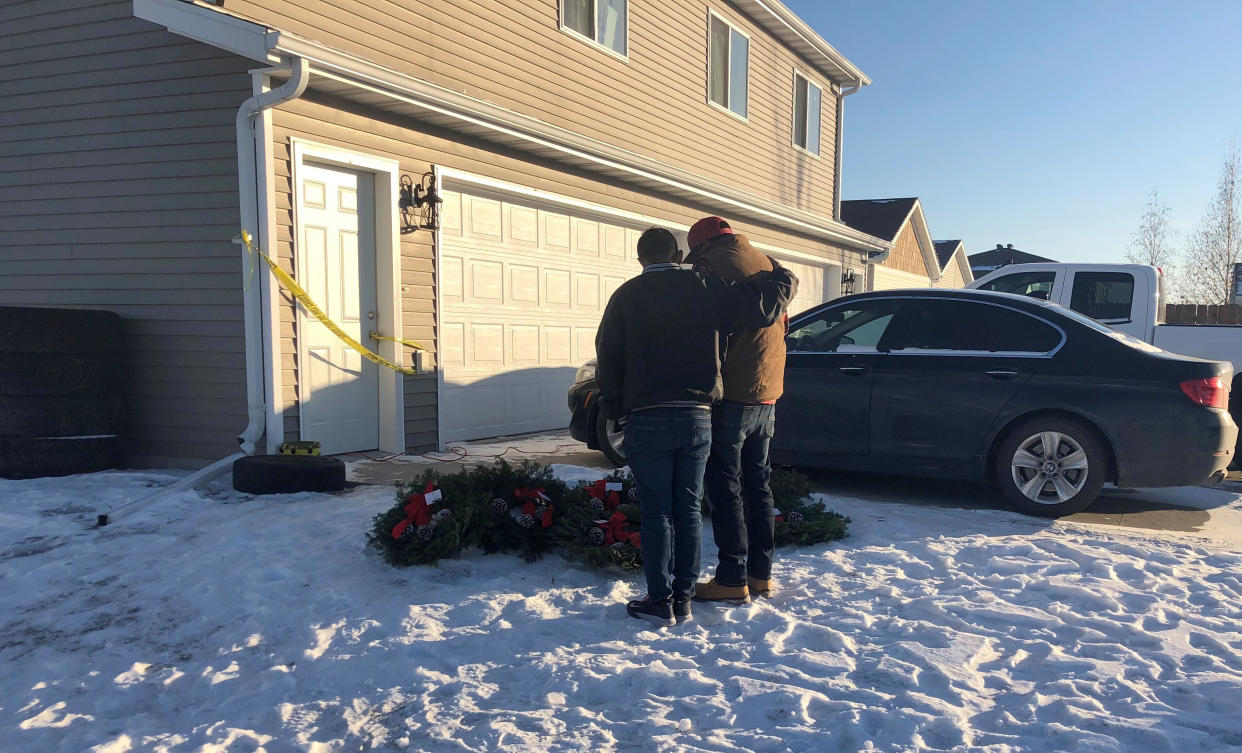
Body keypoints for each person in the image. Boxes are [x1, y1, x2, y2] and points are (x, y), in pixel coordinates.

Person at [595, 227, 797, 627]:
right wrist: (784, 277)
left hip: (648, 416)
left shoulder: (626, 295)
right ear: (679, 254)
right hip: (697, 416)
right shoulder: (706, 287)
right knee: (688, 508)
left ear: (641, 260)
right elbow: (760, 307)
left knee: (656, 512)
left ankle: (659, 599)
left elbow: (609, 358)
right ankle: (684, 599)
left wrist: (615, 410)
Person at [684, 216, 787, 605]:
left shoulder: (711, 270)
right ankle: (761, 575)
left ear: (701, 247)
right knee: (758, 484)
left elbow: (701, 330)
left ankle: (731, 577)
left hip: (733, 396)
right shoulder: (766, 263)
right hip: (768, 394)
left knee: (724, 486)